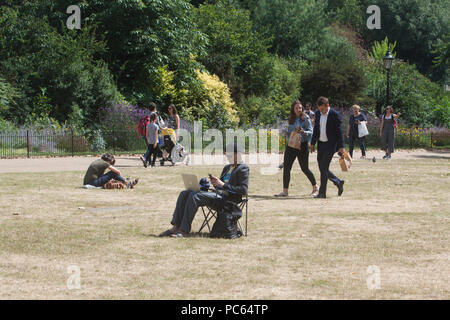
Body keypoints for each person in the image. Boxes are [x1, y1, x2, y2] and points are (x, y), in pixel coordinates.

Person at [159, 143, 249, 238]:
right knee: (185, 193)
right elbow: (220, 186)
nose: (228, 158)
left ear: (238, 154)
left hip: (228, 201)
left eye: (230, 156)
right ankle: (175, 227)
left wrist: (222, 185)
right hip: (218, 196)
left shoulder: (243, 168)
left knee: (195, 196)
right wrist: (215, 184)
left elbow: (243, 190)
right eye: (226, 155)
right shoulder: (227, 168)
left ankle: (184, 230)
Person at [275, 100, 318, 197]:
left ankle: (315, 187)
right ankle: (285, 191)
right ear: (293, 109)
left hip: (302, 146)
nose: (299, 109)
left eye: (300, 108)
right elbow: (289, 131)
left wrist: (304, 132)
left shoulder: (305, 118)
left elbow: (311, 131)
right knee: (286, 168)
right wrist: (285, 132)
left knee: (305, 168)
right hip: (291, 145)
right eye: (296, 108)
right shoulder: (291, 118)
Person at [310, 96, 346, 198]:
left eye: (322, 109)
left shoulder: (335, 115)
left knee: (324, 167)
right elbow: (316, 129)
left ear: (328, 105)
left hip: (331, 144)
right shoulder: (318, 114)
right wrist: (312, 143)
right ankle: (338, 182)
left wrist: (341, 146)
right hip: (321, 143)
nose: (321, 111)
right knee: (322, 167)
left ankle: (322, 193)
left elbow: (339, 132)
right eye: (319, 109)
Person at [140, 102, 156, 168]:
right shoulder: (154, 114)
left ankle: (148, 161)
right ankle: (145, 158)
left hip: (145, 133)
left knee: (149, 148)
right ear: (154, 108)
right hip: (151, 135)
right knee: (152, 148)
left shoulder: (146, 115)